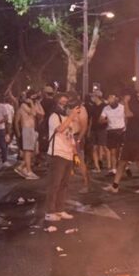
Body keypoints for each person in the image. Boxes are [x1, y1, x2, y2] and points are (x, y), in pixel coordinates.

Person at [44, 93, 85, 222]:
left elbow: (71, 135)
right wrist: (71, 116)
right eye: (62, 103)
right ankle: (49, 212)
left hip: (67, 154)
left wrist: (74, 153)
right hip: (57, 154)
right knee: (54, 184)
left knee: (64, 184)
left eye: (66, 103)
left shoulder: (67, 118)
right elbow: (61, 129)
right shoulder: (54, 117)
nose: (65, 106)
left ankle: (60, 209)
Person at [105, 91, 139, 193]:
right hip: (129, 136)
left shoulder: (137, 107)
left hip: (135, 137)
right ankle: (115, 185)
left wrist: (126, 103)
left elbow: (128, 115)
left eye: (125, 96)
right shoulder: (133, 106)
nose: (124, 98)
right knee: (123, 161)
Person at [13, 93, 43, 180]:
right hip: (27, 130)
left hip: (32, 131)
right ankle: (29, 171)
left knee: (34, 152)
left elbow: (42, 113)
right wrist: (32, 103)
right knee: (28, 152)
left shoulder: (31, 106)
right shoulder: (23, 106)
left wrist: (38, 103)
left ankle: (22, 167)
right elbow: (33, 113)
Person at [100, 92, 126, 173]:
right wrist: (106, 120)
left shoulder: (122, 107)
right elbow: (100, 120)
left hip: (122, 130)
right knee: (113, 151)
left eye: (112, 100)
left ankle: (124, 167)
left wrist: (126, 127)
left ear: (116, 100)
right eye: (109, 101)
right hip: (111, 131)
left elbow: (127, 118)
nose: (110, 103)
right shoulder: (106, 108)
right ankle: (114, 169)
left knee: (121, 150)